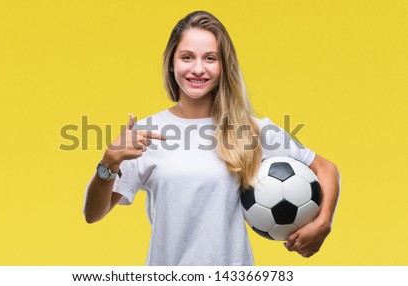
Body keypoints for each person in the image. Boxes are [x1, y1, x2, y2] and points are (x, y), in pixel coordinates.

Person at [83, 11, 340, 266]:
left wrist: (323, 222)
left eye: (210, 58)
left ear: (223, 65)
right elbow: (93, 214)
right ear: (171, 63)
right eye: (187, 57)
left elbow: (326, 169)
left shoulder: (250, 130)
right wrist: (109, 162)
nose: (198, 68)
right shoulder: (146, 132)